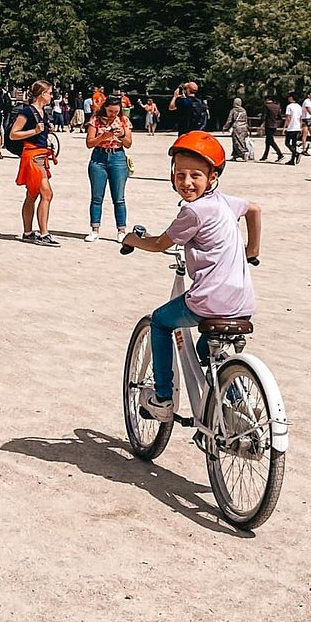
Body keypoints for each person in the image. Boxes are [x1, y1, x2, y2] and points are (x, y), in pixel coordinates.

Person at [122, 131, 260, 422]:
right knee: (205, 348)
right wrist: (251, 250)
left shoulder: (194, 212)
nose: (186, 182)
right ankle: (239, 406)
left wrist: (133, 239)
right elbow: (254, 209)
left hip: (209, 301)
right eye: (180, 174)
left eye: (196, 175)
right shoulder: (226, 202)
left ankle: (162, 399)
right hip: (243, 301)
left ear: (212, 176)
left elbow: (160, 243)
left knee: (160, 321)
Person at [8, 80, 58, 247]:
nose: (51, 96)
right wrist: (35, 131)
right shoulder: (27, 112)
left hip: (40, 155)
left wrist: (45, 130)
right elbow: (13, 134)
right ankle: (43, 234)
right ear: (42, 94)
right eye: (49, 93)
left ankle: (28, 232)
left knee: (33, 194)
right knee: (47, 194)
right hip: (33, 156)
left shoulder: (42, 111)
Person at [84, 95, 132, 243]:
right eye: (111, 111)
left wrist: (122, 135)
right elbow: (89, 143)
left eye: (116, 111)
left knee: (119, 198)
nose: (113, 114)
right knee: (97, 197)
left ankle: (121, 230)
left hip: (117, 157)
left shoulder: (123, 121)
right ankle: (95, 229)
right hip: (99, 157)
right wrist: (103, 136)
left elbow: (129, 143)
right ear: (105, 108)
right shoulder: (95, 121)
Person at [221, 96, 252, 161]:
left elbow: (229, 120)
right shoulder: (244, 110)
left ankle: (242, 154)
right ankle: (235, 155)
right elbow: (246, 119)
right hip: (244, 127)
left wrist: (225, 127)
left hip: (237, 127)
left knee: (236, 142)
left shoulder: (233, 110)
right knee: (241, 141)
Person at [260, 95, 284, 162]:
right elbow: (280, 117)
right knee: (268, 141)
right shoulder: (277, 106)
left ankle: (280, 154)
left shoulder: (267, 106)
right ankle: (265, 156)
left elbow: (264, 115)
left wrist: (261, 124)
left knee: (270, 140)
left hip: (268, 125)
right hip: (275, 125)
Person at [283, 94, 303, 165]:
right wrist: (300, 127)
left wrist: (285, 127)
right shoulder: (299, 107)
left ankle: (296, 153)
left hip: (291, 127)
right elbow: (301, 118)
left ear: (291, 98)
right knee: (294, 144)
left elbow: (288, 117)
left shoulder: (289, 106)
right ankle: (292, 160)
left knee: (287, 143)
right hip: (297, 127)